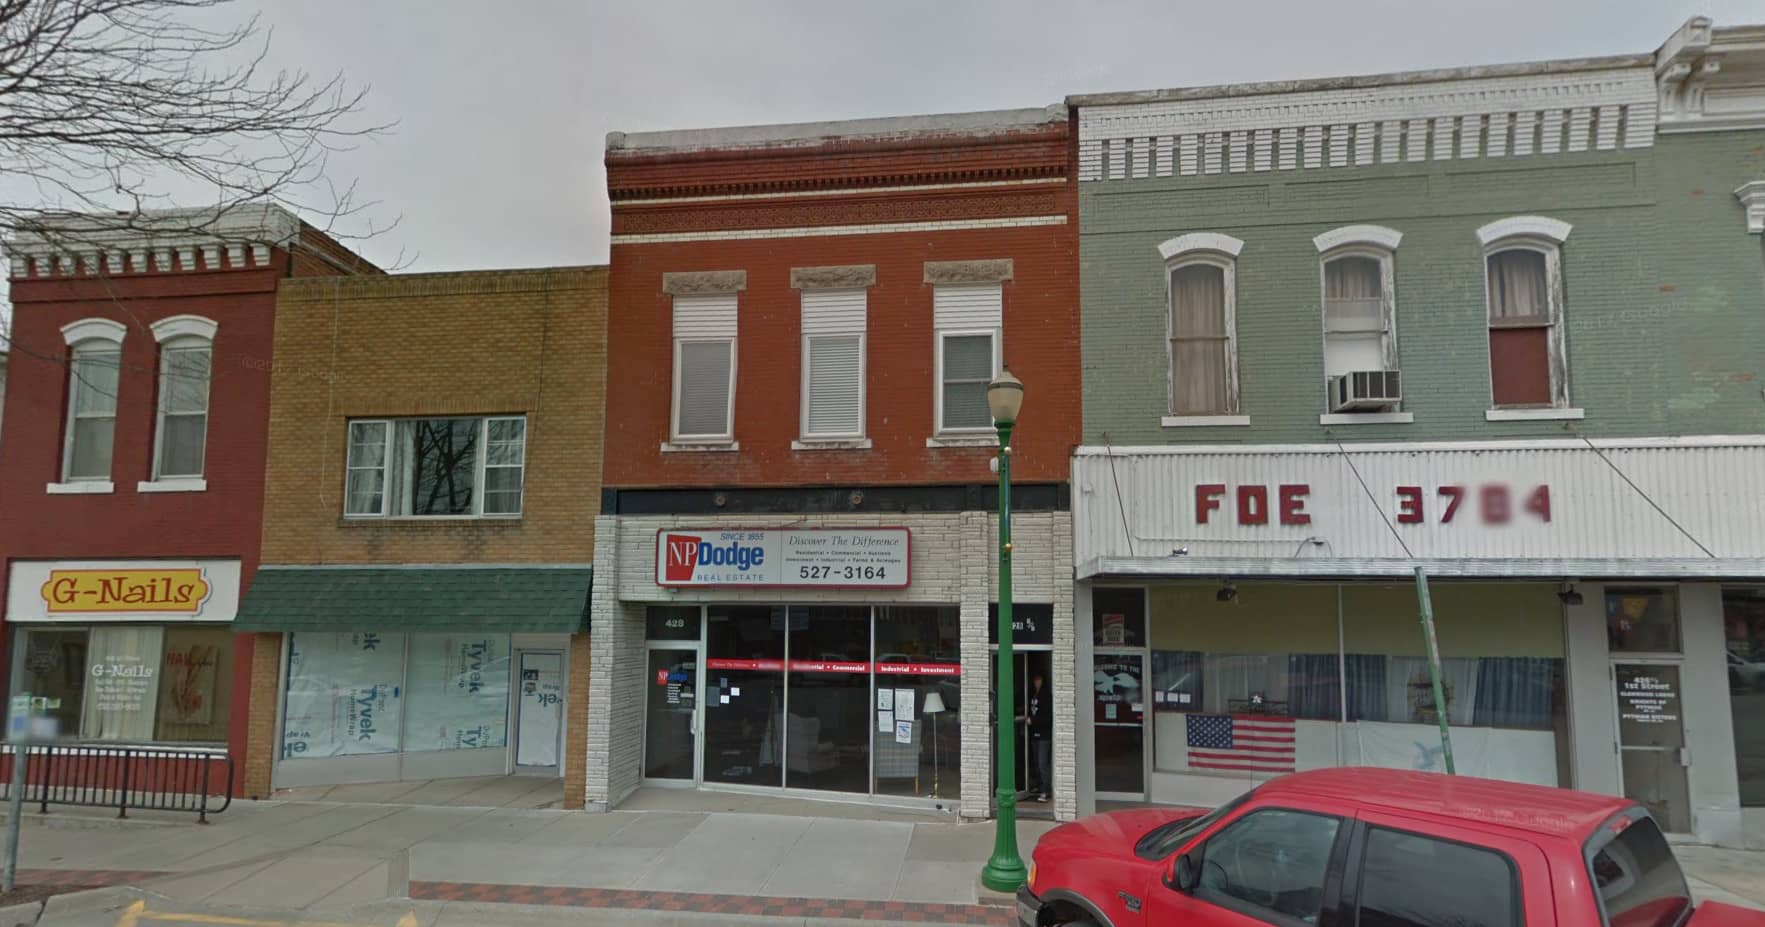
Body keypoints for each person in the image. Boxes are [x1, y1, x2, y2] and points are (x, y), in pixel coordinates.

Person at [1027, 672, 1052, 803]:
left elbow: (1047, 718)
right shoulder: (1033, 694)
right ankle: (1039, 785)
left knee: (1043, 763)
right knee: (1036, 762)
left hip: (1044, 735)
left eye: (1038, 679)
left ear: (1043, 680)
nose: (1036, 682)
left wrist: (1033, 720)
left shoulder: (1046, 695)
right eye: (1035, 679)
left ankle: (1046, 791)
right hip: (1034, 733)